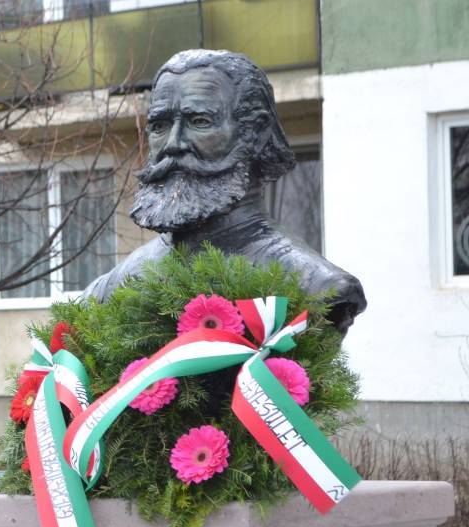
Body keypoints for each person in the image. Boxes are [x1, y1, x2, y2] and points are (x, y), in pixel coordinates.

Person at [83, 49, 367, 333]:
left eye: (200, 122)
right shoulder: (110, 288)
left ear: (256, 132)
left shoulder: (316, 286)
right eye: (159, 126)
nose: (172, 143)